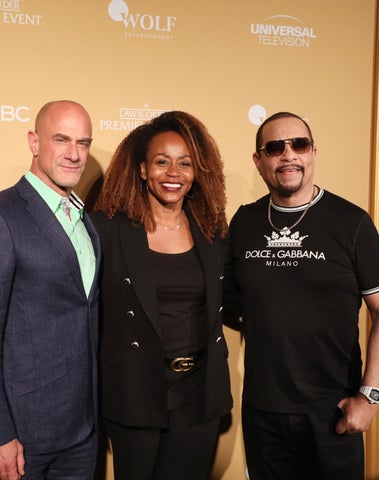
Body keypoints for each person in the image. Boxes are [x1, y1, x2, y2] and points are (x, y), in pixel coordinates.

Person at [223, 111, 379, 479]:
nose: (288, 154)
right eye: (275, 147)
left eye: (299, 144)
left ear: (313, 152)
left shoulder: (350, 222)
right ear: (259, 161)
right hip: (263, 410)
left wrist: (369, 397)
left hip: (333, 408)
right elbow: (230, 303)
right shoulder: (244, 222)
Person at [0, 100, 101, 480]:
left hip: (83, 431)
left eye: (83, 143)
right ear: (34, 142)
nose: (74, 154)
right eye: (61, 140)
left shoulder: (86, 219)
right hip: (21, 438)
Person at [91, 110, 233, 480]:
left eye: (185, 163)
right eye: (162, 162)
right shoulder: (107, 229)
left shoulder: (212, 230)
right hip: (133, 390)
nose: (174, 173)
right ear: (141, 169)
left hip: (198, 392)